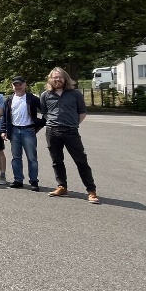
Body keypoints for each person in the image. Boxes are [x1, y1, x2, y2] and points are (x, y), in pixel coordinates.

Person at [40, 67, 100, 204]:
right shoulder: (45, 95)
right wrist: (52, 122)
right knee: (57, 161)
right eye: (55, 77)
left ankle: (91, 191)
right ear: (50, 79)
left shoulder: (75, 94)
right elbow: (44, 112)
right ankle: (62, 187)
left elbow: (82, 112)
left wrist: (72, 124)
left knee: (81, 161)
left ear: (65, 78)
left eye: (60, 77)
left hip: (71, 131)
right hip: (52, 132)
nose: (57, 79)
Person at [1, 75, 44, 191]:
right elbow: (5, 116)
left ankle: (34, 181)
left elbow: (45, 111)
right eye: (15, 85)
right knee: (16, 157)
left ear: (25, 85)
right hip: (14, 131)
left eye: (20, 84)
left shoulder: (32, 98)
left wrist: (39, 124)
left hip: (28, 131)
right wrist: (3, 130)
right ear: (12, 86)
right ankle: (18, 180)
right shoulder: (9, 100)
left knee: (32, 158)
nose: (18, 87)